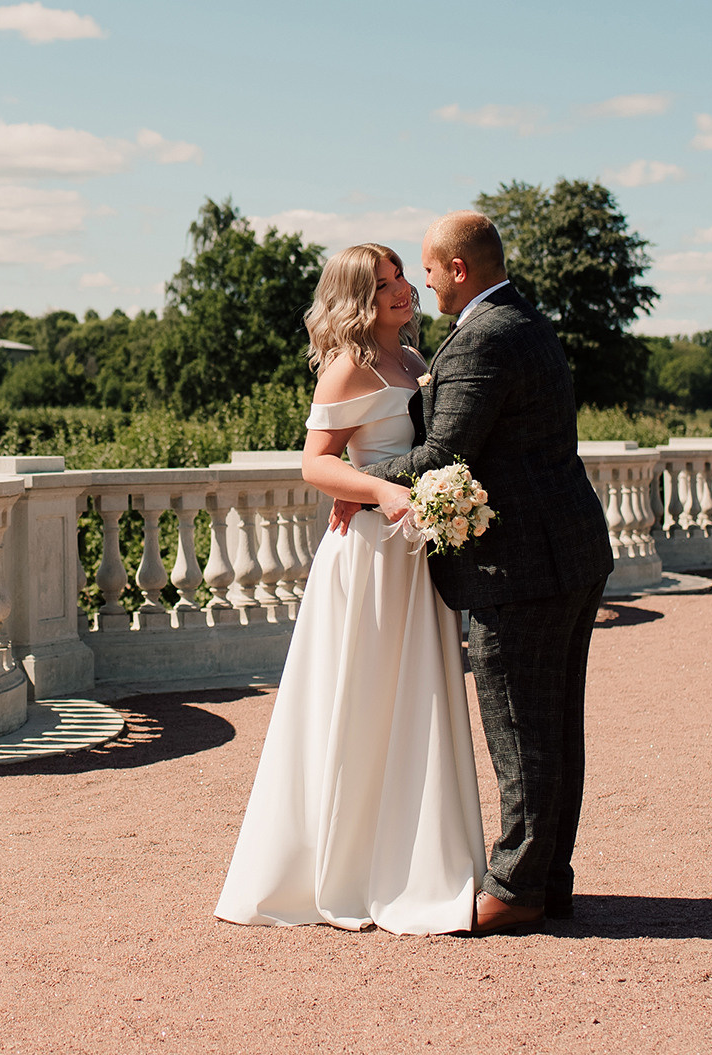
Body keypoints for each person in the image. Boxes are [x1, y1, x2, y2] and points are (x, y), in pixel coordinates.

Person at [214, 241, 487, 935]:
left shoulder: (419, 362)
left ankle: (417, 859)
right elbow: (314, 465)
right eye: (384, 284)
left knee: (417, 700)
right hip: (368, 557)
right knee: (361, 701)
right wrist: (378, 492)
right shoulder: (347, 369)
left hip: (412, 556)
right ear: (356, 299)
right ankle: (344, 870)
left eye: (401, 278)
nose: (402, 292)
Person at [355, 211, 613, 934]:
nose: (424, 281)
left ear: (458, 270)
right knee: (556, 726)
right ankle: (547, 876)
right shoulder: (525, 320)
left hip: (522, 565)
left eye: (429, 270)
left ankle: (519, 886)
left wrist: (362, 480)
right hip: (568, 551)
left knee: (523, 729)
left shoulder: (482, 337)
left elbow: (443, 454)